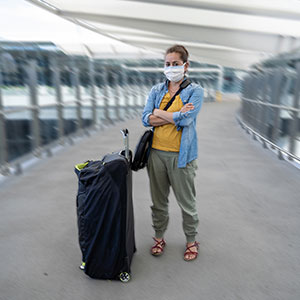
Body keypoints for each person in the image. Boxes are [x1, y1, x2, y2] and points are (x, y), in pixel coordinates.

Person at [142, 45, 204, 261]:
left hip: (182, 156)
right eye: (167, 64)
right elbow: (145, 118)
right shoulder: (156, 91)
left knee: (187, 203)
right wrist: (175, 114)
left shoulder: (195, 91)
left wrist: (159, 113)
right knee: (158, 202)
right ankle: (159, 237)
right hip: (156, 155)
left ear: (185, 66)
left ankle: (191, 240)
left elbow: (187, 119)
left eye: (175, 64)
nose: (170, 68)